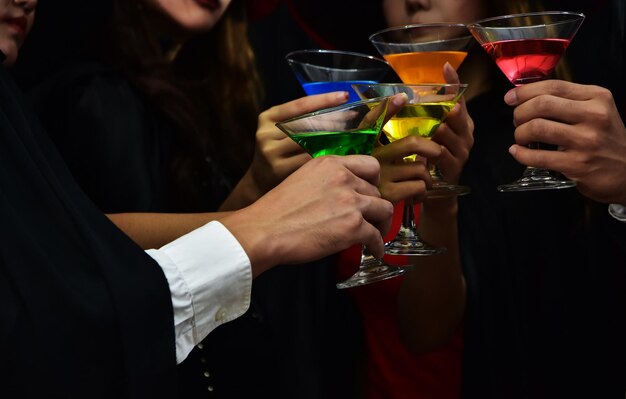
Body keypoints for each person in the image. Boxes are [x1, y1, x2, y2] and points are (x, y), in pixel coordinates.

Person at [0, 0, 399, 397]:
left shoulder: (216, 90)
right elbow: (93, 258)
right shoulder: (94, 97)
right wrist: (265, 219)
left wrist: (256, 190)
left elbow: (185, 268)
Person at [385, 0, 626, 398]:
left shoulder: (583, 115)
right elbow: (422, 333)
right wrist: (440, 201)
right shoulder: (373, 130)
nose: (416, 0)